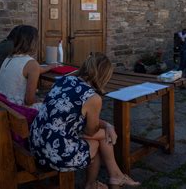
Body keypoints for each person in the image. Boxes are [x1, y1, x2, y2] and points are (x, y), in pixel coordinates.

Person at [29, 53, 140, 188]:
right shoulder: (92, 98)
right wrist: (108, 127)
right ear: (105, 75)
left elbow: (76, 119)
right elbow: (91, 131)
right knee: (99, 138)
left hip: (36, 143)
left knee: (101, 135)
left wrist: (107, 125)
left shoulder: (64, 80)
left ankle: (111, 177)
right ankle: (103, 180)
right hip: (53, 154)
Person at [0, 25, 55, 107]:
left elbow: (32, 69)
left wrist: (50, 67)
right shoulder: (31, 64)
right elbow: (29, 101)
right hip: (15, 110)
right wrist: (40, 100)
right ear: (33, 42)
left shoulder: (9, 58)